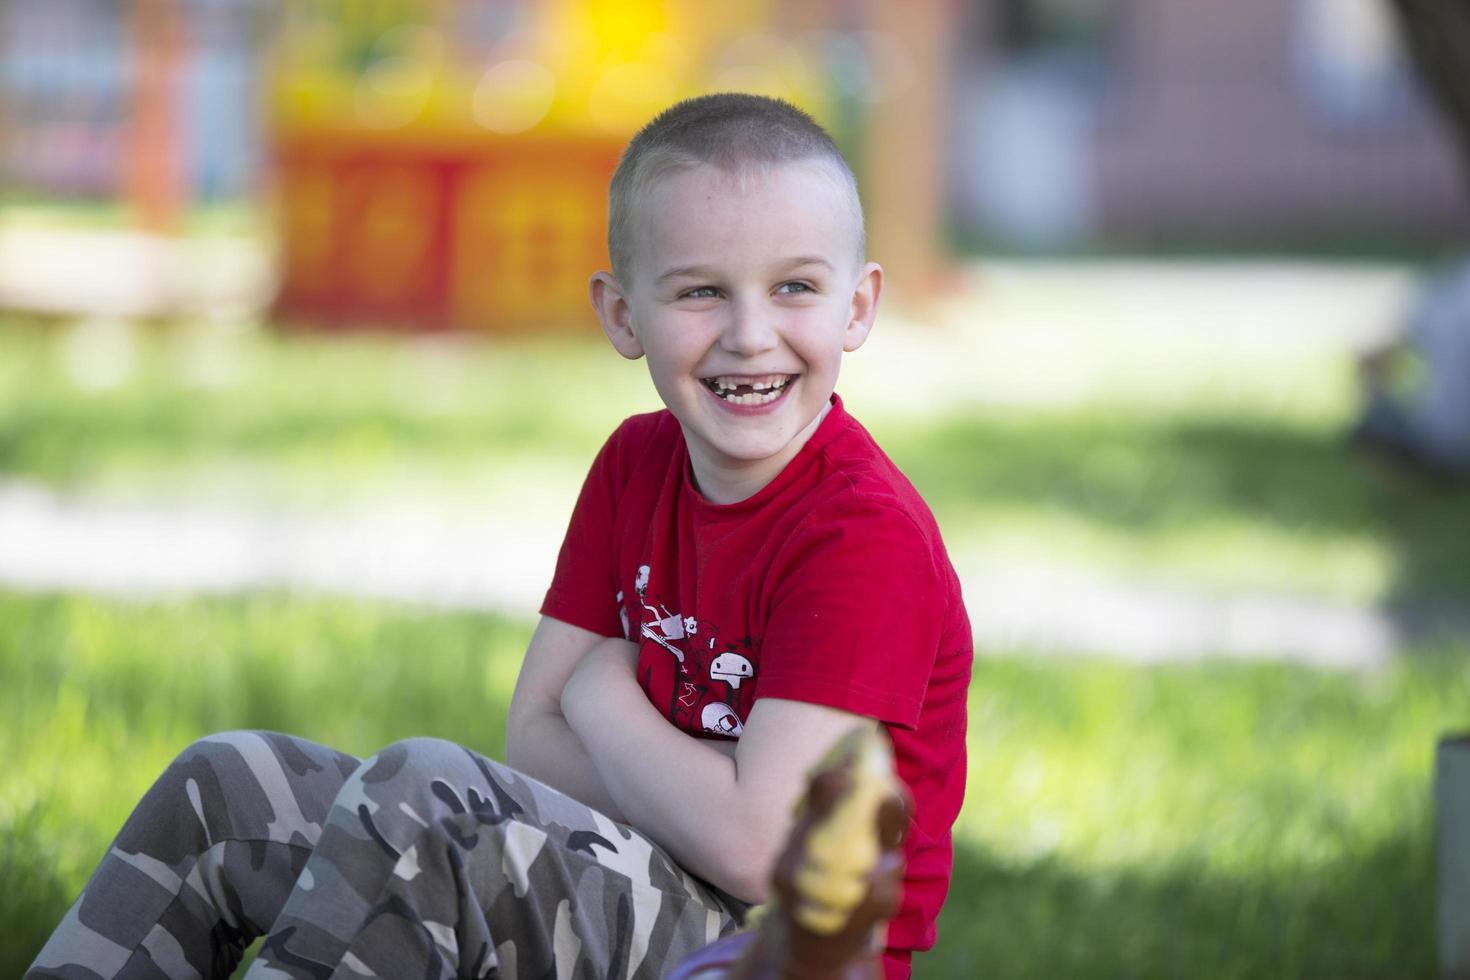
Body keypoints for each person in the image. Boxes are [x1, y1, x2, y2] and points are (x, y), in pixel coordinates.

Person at [27, 93, 972, 980]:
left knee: (424, 795)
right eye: (700, 293)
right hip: (638, 878)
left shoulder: (860, 536)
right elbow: (531, 741)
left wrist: (604, 699)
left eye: (795, 287)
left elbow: (758, 848)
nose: (750, 335)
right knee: (229, 782)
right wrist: (677, 783)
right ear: (621, 314)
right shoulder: (637, 464)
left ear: (857, 306)